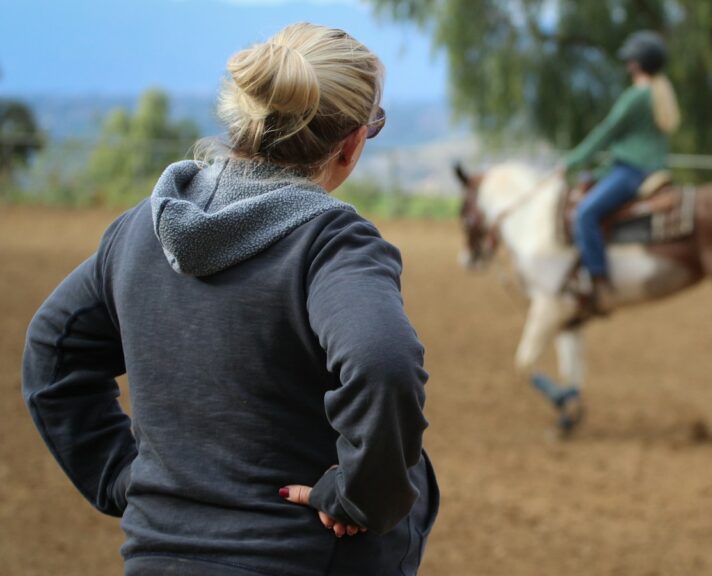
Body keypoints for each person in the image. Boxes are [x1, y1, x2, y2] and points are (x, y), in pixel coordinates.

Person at [22, 22, 438, 575]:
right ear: (352, 142)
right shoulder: (331, 243)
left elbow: (53, 350)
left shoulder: (137, 233)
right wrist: (366, 496)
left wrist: (122, 475)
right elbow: (383, 362)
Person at [562, 30, 681, 315]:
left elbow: (607, 132)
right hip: (646, 167)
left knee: (585, 213)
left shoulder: (636, 96)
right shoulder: (660, 93)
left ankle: (598, 280)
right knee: (588, 190)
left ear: (637, 63)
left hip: (631, 170)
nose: (628, 65)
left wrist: (573, 160)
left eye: (630, 60)